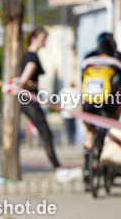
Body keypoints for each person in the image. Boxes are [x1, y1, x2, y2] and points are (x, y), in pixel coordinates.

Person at [18, 28, 80, 182]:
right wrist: (31, 85)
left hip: (28, 100)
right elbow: (23, 81)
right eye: (43, 38)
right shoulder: (32, 57)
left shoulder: (27, 55)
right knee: (47, 134)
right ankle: (59, 170)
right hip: (29, 101)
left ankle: (58, 168)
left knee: (47, 134)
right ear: (33, 38)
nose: (45, 42)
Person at [80, 32, 121, 183]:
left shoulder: (88, 59)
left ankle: (87, 167)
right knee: (112, 126)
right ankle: (109, 160)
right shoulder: (118, 61)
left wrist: (82, 106)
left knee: (90, 131)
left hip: (88, 100)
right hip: (109, 101)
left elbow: (83, 83)